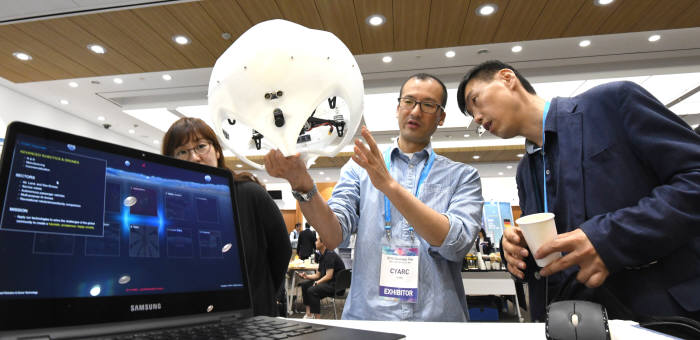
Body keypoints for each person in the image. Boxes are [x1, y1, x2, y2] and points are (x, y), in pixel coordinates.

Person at [456, 60, 700, 321]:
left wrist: (609, 239)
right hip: (575, 320)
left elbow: (693, 178)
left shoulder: (612, 103)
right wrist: (518, 252)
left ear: (507, 78)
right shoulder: (525, 170)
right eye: (472, 116)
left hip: (660, 314)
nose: (478, 118)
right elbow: (556, 250)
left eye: (476, 101)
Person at [265, 73, 483, 321]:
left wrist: (390, 186)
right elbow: (334, 235)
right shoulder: (360, 168)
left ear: (441, 117)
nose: (415, 111)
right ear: (398, 107)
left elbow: (456, 245)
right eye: (409, 101)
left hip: (437, 321)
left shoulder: (462, 176)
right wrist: (302, 185)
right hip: (369, 319)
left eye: (428, 105)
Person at [162, 117, 291, 316]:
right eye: (182, 152)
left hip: (253, 316)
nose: (194, 157)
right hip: (191, 319)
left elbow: (281, 251)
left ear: (217, 151)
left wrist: (261, 293)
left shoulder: (249, 194)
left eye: (201, 147)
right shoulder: (168, 205)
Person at [297, 236, 346, 319]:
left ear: (323, 243)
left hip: (336, 286)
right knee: (305, 285)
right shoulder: (322, 256)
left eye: (317, 241)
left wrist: (317, 282)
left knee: (312, 290)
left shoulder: (330, 254)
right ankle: (309, 315)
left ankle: (317, 320)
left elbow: (329, 276)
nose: (315, 242)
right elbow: (318, 275)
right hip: (328, 283)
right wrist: (306, 276)